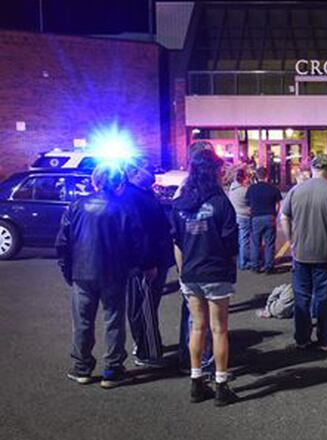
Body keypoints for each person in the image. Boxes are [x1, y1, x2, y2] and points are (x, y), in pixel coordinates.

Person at [56, 163, 143, 388]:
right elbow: (136, 242)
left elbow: (63, 242)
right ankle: (113, 369)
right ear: (118, 183)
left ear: (95, 181)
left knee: (82, 321)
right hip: (114, 271)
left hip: (83, 271)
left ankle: (82, 367)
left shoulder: (77, 206)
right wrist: (133, 267)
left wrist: (68, 270)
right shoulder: (124, 208)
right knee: (113, 320)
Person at [171, 149, 239, 406]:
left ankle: (196, 382)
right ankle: (221, 385)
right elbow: (231, 244)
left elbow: (176, 243)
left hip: (190, 273)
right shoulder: (221, 203)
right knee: (219, 329)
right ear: (214, 172)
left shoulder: (180, 204)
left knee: (197, 327)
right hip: (215, 271)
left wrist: (182, 272)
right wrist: (230, 270)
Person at [280, 154, 327, 352]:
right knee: (324, 298)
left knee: (302, 298)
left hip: (301, 254)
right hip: (326, 254)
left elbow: (284, 217)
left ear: (312, 169)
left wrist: (291, 240)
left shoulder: (296, 191)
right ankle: (324, 339)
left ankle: (302, 338)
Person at [122, 161, 174, 368]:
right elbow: (138, 235)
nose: (153, 174)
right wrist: (148, 262)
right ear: (135, 172)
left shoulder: (142, 194)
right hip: (146, 263)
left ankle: (143, 345)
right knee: (144, 308)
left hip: (153, 260)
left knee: (146, 306)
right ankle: (148, 352)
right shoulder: (133, 197)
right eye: (149, 170)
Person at [246, 167, 282, 273]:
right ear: (267, 175)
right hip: (269, 217)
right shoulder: (273, 188)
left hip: (256, 217)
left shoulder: (251, 188)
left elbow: (248, 205)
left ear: (257, 176)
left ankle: (255, 265)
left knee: (255, 243)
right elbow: (277, 205)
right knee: (269, 243)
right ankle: (269, 266)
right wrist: (274, 215)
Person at [228, 168, 252, 271]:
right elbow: (251, 203)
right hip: (244, 217)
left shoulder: (232, 189)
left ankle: (238, 260)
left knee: (238, 239)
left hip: (235, 215)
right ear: (243, 178)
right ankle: (244, 262)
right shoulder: (245, 191)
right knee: (244, 240)